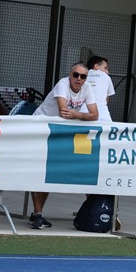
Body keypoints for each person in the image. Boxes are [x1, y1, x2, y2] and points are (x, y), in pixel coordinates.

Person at [29, 63, 100, 229]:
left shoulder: (87, 88)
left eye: (83, 76)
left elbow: (95, 115)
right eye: (76, 75)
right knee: (39, 171)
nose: (79, 79)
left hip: (58, 131)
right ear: (70, 75)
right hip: (40, 128)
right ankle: (38, 213)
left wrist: (77, 114)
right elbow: (64, 112)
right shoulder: (62, 84)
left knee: (51, 171)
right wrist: (81, 115)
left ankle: (37, 213)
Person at [86, 56, 115, 123]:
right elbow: (106, 99)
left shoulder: (81, 75)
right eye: (105, 68)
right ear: (96, 66)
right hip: (102, 117)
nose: (107, 72)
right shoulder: (106, 76)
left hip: (81, 115)